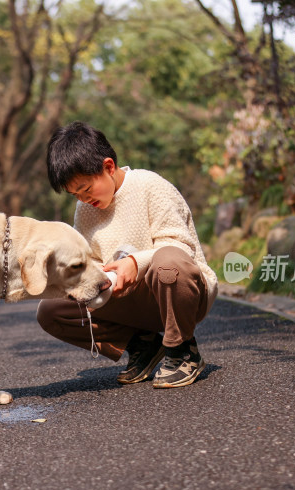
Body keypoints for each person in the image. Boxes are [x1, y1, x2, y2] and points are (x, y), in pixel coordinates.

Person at [36, 121, 218, 388]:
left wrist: (135, 263)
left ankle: (182, 350)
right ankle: (143, 344)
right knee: (51, 308)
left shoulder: (150, 186)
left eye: (86, 189)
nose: (84, 199)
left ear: (108, 167)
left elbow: (181, 248)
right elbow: (89, 261)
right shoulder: (85, 210)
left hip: (178, 293)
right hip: (128, 299)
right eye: (75, 194)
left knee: (168, 262)